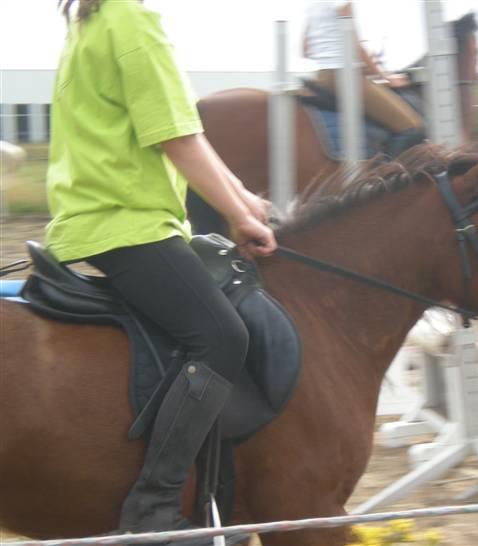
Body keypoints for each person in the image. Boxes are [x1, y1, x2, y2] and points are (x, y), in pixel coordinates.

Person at [49, 0, 277, 540]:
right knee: (221, 336)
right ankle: (154, 508)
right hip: (126, 222)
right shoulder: (130, 17)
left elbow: (184, 129)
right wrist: (240, 215)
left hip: (98, 215)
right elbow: (174, 137)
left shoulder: (92, 20)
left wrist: (244, 198)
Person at [303, 1, 426, 158]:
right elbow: (355, 47)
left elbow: (305, 50)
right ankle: (387, 178)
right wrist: (385, 77)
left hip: (322, 76)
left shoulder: (313, 5)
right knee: (412, 127)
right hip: (345, 77)